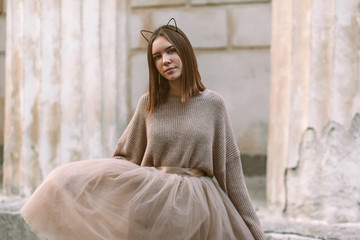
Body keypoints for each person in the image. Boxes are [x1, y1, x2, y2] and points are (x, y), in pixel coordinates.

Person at [20, 19, 265, 240]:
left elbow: (231, 174)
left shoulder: (213, 104)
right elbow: (124, 158)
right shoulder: (148, 104)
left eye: (171, 51)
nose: (165, 61)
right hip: (152, 208)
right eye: (157, 57)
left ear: (185, 53)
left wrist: (254, 231)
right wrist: (85, 186)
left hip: (200, 211)